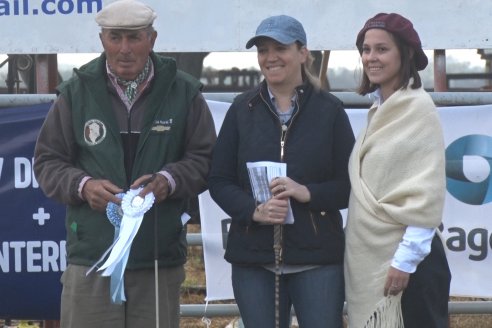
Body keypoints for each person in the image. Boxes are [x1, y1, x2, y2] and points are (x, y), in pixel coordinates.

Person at [33, 0, 216, 327]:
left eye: (134, 38)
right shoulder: (76, 93)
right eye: (115, 37)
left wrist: (168, 180)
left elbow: (205, 159)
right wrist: (83, 186)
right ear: (102, 39)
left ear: (152, 39)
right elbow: (47, 162)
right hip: (92, 257)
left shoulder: (184, 92)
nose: (125, 49)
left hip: (157, 258)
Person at [208, 15, 355, 328]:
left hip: (317, 260)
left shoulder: (330, 110)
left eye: (280, 48)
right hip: (253, 260)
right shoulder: (241, 109)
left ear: (302, 53)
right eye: (262, 50)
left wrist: (308, 193)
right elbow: (218, 180)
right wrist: (254, 210)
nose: (270, 57)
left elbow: (350, 186)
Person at [344, 12, 451, 328]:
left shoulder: (418, 111)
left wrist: (404, 262)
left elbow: (424, 195)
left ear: (404, 53)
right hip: (373, 261)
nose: (371, 57)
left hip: (410, 264)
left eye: (381, 49)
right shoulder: (378, 111)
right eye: (366, 49)